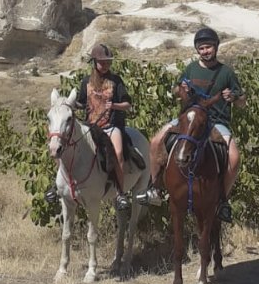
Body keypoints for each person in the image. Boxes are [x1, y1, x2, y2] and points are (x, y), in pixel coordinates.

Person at [139, 26, 246, 222]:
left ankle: (223, 199)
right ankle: (154, 188)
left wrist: (232, 98)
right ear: (197, 50)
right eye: (202, 48)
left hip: (215, 121)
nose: (205, 51)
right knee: (155, 142)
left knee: (234, 157)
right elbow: (175, 90)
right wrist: (181, 89)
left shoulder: (226, 72)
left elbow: (242, 102)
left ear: (216, 47)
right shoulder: (190, 68)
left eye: (209, 47)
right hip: (188, 119)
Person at [45, 43, 134, 211]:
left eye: (108, 62)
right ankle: (57, 187)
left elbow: (127, 104)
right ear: (94, 62)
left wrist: (113, 105)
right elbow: (80, 102)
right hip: (91, 127)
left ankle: (121, 193)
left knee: (118, 152)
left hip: (111, 126)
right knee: (64, 148)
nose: (106, 65)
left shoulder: (116, 81)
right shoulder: (87, 81)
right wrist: (68, 105)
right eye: (102, 62)